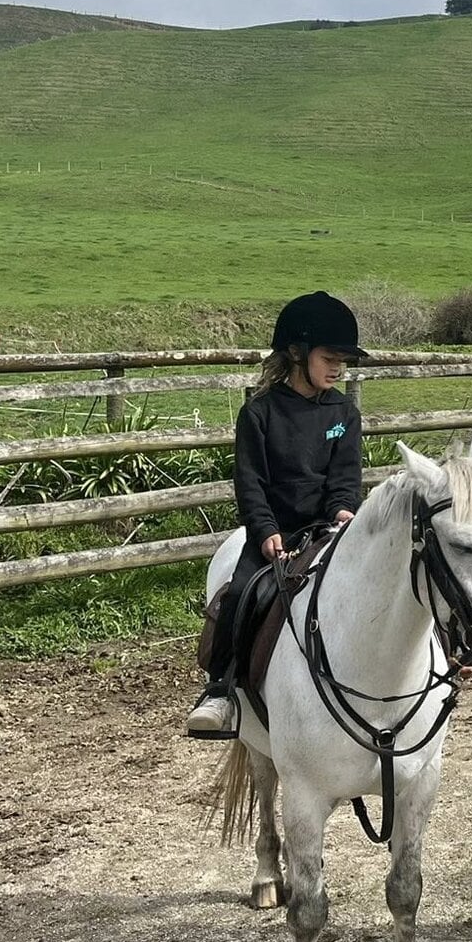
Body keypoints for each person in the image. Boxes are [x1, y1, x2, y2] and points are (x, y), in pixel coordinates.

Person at [186, 291, 367, 736]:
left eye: (342, 359)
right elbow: (250, 482)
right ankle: (221, 690)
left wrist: (343, 511)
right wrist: (265, 530)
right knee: (240, 594)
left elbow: (345, 477)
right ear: (296, 353)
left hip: (328, 528)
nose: (338, 367)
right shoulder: (259, 413)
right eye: (329, 357)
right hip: (275, 530)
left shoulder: (344, 411)